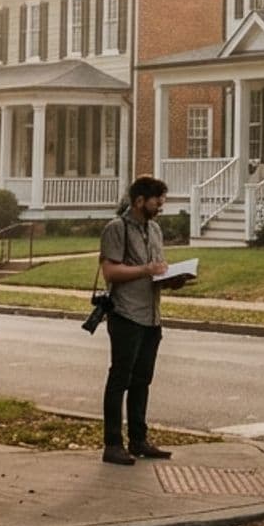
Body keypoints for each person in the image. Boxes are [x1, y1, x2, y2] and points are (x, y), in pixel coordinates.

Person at [98, 175, 171, 464]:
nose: (161, 206)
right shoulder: (117, 229)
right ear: (140, 201)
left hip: (152, 317)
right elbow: (111, 272)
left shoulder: (155, 229)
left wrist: (172, 278)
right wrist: (146, 270)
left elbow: (156, 270)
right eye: (156, 202)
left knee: (142, 380)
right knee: (120, 379)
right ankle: (113, 444)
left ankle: (139, 439)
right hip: (126, 314)